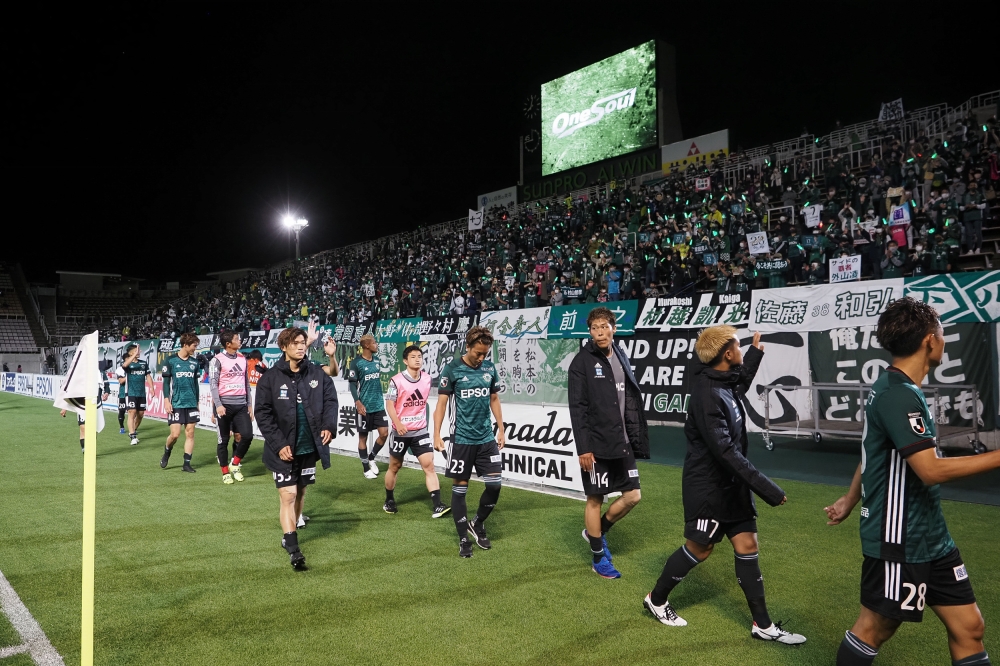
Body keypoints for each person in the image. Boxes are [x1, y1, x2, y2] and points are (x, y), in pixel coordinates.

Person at [826, 297, 1000, 666]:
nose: (944, 340)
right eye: (942, 333)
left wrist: (849, 497)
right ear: (928, 341)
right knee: (874, 628)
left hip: (931, 535)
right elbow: (930, 470)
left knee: (969, 627)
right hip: (898, 537)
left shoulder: (899, 387)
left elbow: (872, 454)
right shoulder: (897, 395)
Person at [643, 325, 805, 645]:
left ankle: (762, 624)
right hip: (708, 487)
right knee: (700, 549)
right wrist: (767, 488)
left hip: (731, 485)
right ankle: (657, 599)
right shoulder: (706, 395)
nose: (742, 350)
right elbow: (726, 452)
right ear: (728, 354)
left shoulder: (723, 382)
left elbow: (740, 380)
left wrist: (757, 351)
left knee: (747, 546)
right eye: (739, 346)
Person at [567, 306, 649, 579]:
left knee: (633, 496)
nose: (599, 332)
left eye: (604, 326)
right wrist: (584, 447)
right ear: (589, 332)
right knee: (595, 498)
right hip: (596, 444)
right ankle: (599, 557)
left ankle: (596, 534)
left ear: (613, 328)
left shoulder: (621, 355)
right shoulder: (581, 362)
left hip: (621, 441)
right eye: (594, 328)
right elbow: (577, 407)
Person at [254, 327, 338, 571]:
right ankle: (293, 547)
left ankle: (288, 532)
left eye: (303, 343)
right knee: (288, 495)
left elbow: (331, 400)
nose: (301, 347)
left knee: (300, 492)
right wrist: (279, 444)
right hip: (282, 450)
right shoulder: (269, 378)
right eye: (296, 343)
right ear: (284, 347)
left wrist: (329, 426)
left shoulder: (316, 373)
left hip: (309, 447)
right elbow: (263, 414)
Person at [432, 326, 505, 559]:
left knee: (494, 485)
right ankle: (463, 538)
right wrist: (436, 433)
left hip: (486, 439)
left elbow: (494, 397)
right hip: (461, 440)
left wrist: (501, 427)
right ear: (468, 347)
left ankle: (477, 523)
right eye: (478, 353)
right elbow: (441, 404)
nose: (481, 358)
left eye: (485, 354)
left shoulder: (489, 368)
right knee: (460, 489)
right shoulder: (452, 369)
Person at [383, 344, 450, 518]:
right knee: (395, 467)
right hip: (401, 432)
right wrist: (397, 423)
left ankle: (437, 505)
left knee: (429, 465)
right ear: (405, 361)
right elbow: (389, 404)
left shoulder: (427, 378)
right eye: (413, 356)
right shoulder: (396, 380)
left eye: (419, 356)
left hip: (420, 430)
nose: (417, 359)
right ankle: (389, 500)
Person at [210, 331, 254, 485]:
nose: (239, 340)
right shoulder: (217, 360)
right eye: (236, 339)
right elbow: (213, 384)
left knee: (247, 435)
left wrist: (249, 405)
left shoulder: (242, 358)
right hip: (224, 406)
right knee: (223, 440)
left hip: (241, 405)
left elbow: (246, 384)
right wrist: (218, 405)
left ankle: (234, 464)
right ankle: (225, 472)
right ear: (228, 344)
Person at [159, 333, 201, 473]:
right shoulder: (170, 361)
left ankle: (186, 464)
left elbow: (196, 383)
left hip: (191, 403)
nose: (195, 348)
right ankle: (167, 451)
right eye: (194, 346)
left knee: (190, 433)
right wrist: (166, 400)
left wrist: (197, 401)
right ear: (185, 344)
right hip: (176, 403)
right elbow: (166, 383)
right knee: (175, 435)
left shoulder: (194, 363)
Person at [347, 333, 387, 479]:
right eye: (374, 343)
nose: (376, 345)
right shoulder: (356, 363)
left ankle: (371, 457)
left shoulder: (376, 361)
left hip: (378, 405)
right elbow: (352, 385)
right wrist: (357, 402)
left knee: (384, 434)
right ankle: (365, 469)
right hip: (363, 407)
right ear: (366, 345)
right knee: (362, 438)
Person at [60, 375, 110, 453]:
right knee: (83, 428)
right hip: (83, 406)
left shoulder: (100, 372)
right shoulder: (81, 371)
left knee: (94, 430)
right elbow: (72, 391)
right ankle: (85, 450)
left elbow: (106, 385)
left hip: (95, 406)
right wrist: (65, 407)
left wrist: (106, 393)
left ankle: (91, 449)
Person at [121, 343, 154, 446]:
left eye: (138, 351)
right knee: (132, 412)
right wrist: (133, 356)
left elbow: (148, 376)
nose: (139, 352)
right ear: (131, 352)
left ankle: (133, 430)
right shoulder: (128, 363)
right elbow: (124, 365)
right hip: (131, 392)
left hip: (141, 393)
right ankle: (132, 435)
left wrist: (152, 388)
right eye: (136, 350)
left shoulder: (143, 364)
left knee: (140, 414)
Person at [115, 361, 127, 434]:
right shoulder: (120, 370)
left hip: (133, 393)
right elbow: (121, 381)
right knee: (122, 411)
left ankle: (134, 428)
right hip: (123, 394)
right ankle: (121, 427)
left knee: (135, 412)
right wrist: (129, 376)